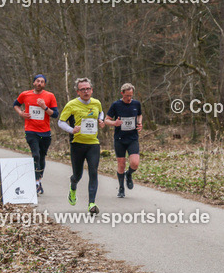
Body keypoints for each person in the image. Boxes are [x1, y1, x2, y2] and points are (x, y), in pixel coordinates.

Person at [58, 78, 105, 214]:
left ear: (92, 90)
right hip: (77, 144)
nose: (86, 91)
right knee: (77, 175)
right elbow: (61, 122)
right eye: (82, 89)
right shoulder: (71, 105)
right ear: (78, 92)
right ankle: (73, 186)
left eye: (88, 89)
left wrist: (100, 119)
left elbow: (100, 112)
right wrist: (72, 130)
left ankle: (92, 204)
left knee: (93, 172)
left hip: (93, 144)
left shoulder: (96, 103)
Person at [13, 74, 58, 194]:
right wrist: (21, 113)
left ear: (44, 84)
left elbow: (55, 114)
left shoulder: (50, 96)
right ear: (33, 83)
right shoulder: (25, 94)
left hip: (45, 132)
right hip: (31, 130)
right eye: (38, 81)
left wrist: (44, 107)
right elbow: (16, 104)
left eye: (42, 82)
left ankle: (39, 180)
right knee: (36, 155)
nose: (40, 83)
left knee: (42, 157)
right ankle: (36, 182)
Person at [104, 83, 142, 198]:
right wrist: (114, 123)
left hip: (132, 138)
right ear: (122, 94)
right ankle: (121, 188)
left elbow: (139, 115)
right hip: (120, 139)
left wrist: (140, 123)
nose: (129, 98)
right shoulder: (116, 105)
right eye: (127, 96)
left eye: (131, 95)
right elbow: (106, 120)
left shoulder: (136, 104)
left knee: (135, 163)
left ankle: (129, 174)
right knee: (121, 164)